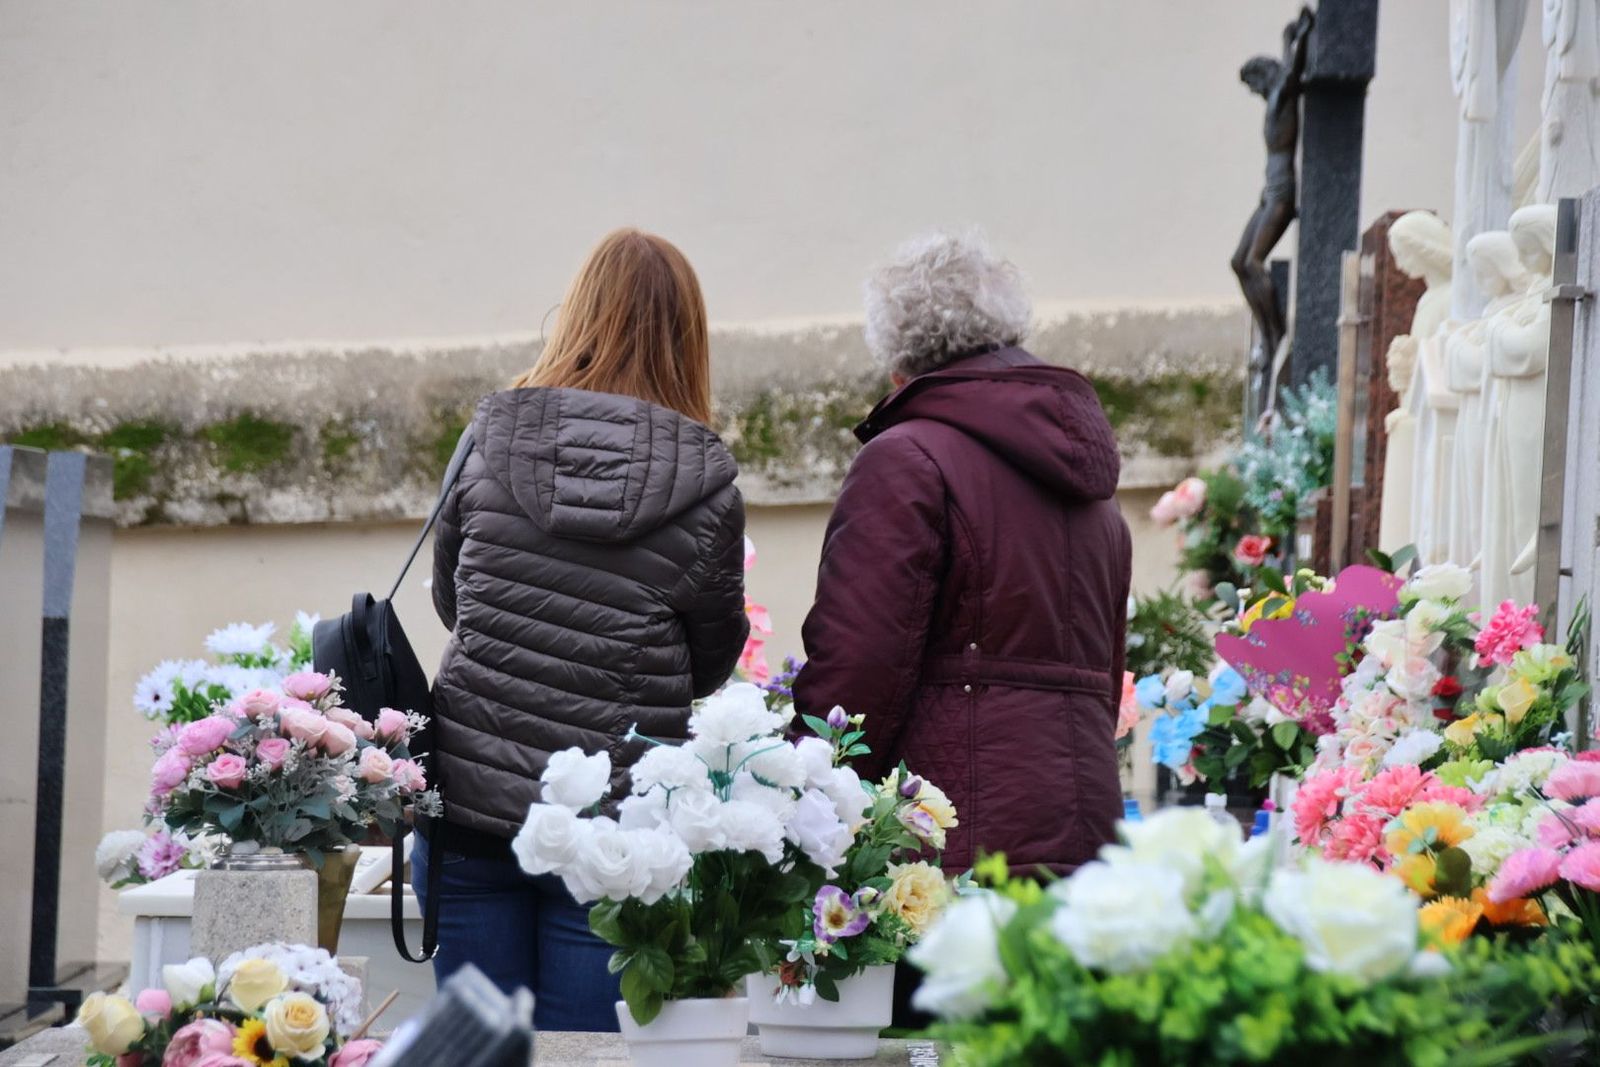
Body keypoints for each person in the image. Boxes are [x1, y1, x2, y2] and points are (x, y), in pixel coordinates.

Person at [418, 228, 749, 1030]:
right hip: (615, 827)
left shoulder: (487, 444)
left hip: (468, 803)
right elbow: (709, 663)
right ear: (688, 341)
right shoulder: (705, 485)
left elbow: (453, 603)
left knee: (474, 1053)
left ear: (577, 315)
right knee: (590, 1054)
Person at [793, 229, 1132, 881]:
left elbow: (858, 669)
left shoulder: (906, 460)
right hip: (1087, 830)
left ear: (898, 365)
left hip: (956, 839)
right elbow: (1108, 671)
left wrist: (804, 802)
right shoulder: (1095, 489)